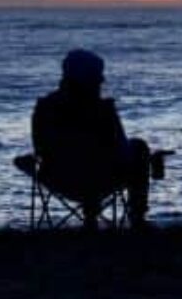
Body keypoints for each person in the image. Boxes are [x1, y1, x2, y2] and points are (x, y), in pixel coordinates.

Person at [31, 48, 156, 228]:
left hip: (59, 180)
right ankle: (137, 216)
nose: (102, 80)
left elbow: (40, 148)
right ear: (86, 79)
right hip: (101, 179)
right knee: (139, 147)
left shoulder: (44, 108)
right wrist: (147, 159)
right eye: (97, 76)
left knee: (90, 161)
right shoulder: (103, 111)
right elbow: (120, 150)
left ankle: (91, 217)